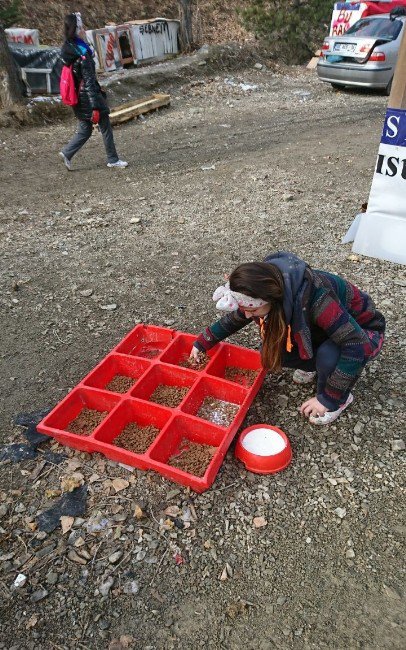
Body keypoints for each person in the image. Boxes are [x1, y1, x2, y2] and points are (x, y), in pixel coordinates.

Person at [190, 252, 385, 425]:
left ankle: (340, 399)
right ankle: (313, 364)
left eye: (252, 310)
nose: (248, 315)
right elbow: (237, 318)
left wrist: (327, 399)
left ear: (270, 300)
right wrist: (203, 342)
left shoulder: (317, 299)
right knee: (272, 350)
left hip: (363, 332)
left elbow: (356, 344)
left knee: (328, 356)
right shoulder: (268, 292)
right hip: (324, 329)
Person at [59, 12, 128, 170]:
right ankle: (113, 159)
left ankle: (67, 152)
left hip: (78, 97)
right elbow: (89, 81)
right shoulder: (83, 55)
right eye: (82, 27)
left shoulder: (68, 49)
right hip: (89, 98)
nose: (84, 30)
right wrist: (96, 105)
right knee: (105, 127)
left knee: (86, 128)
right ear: (77, 29)